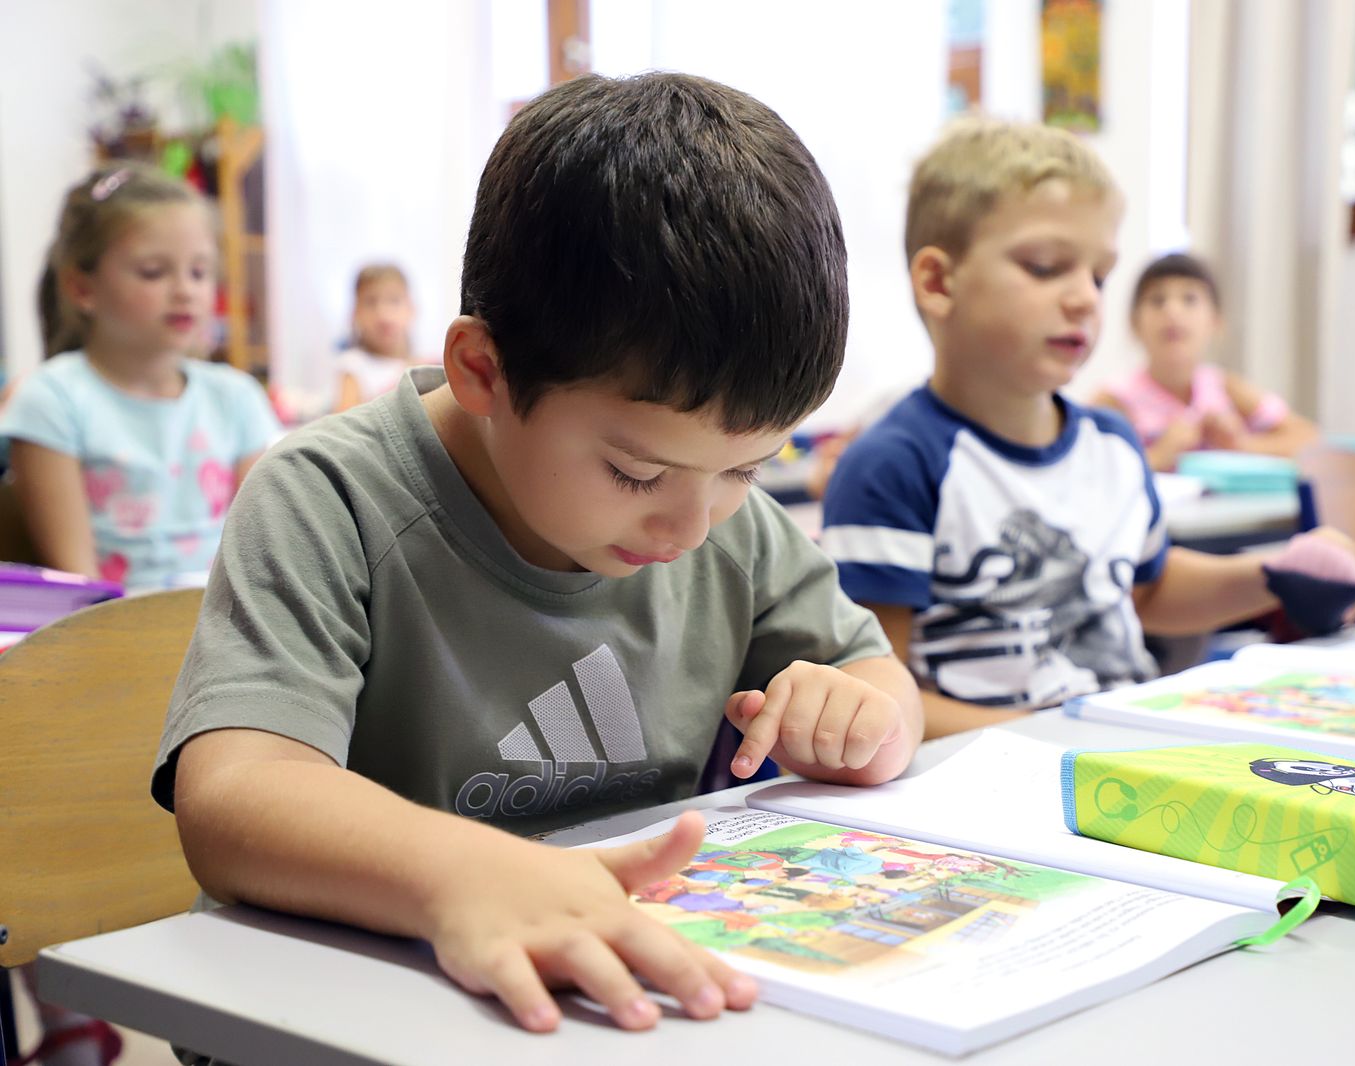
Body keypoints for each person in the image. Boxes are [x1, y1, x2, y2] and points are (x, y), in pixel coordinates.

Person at [153, 72, 923, 1050]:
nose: (693, 523)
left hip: (601, 1010)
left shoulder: (722, 523)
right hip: (352, 1013)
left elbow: (881, 684)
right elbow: (232, 800)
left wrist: (864, 722)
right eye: (636, 471)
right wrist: (463, 874)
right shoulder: (329, 498)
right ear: (484, 369)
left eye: (746, 467)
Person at [820, 117, 1355, 739]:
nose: (1085, 297)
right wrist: (1061, 737)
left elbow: (1145, 591)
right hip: (993, 771)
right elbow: (878, 697)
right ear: (939, 283)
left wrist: (1275, 575)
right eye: (1046, 266)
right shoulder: (893, 464)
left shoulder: (1113, 444)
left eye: (1099, 275)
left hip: (1112, 750)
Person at [0, 163, 280, 590]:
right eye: (153, 271)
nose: (185, 290)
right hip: (109, 627)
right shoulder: (51, 401)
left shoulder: (237, 397)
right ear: (82, 288)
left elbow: (259, 563)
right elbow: (80, 586)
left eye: (199, 272)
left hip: (224, 625)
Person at [1093, 253, 1318, 471]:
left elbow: (1309, 438)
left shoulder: (1226, 388)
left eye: (1189, 299)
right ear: (1134, 323)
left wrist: (1241, 445)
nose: (1172, 311)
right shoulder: (1116, 398)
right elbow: (1086, 464)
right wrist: (1157, 455)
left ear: (1216, 321)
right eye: (1157, 300)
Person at [332, 262, 432, 410]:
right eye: (370, 302)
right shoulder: (353, 365)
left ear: (412, 309)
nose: (383, 314)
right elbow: (344, 420)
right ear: (355, 313)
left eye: (394, 300)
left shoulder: (424, 365)